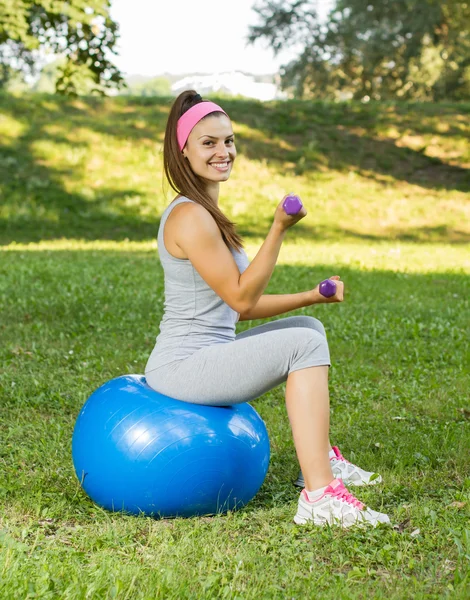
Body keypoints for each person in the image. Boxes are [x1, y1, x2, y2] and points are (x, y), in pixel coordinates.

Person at [145, 90, 390, 528]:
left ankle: (321, 464)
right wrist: (278, 229)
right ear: (183, 150)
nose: (224, 152)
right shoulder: (190, 217)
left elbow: (235, 312)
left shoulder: (206, 211)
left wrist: (311, 295)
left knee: (308, 327)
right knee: (301, 345)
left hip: (209, 352)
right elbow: (241, 296)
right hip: (183, 367)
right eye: (209, 143)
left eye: (229, 141)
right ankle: (320, 497)